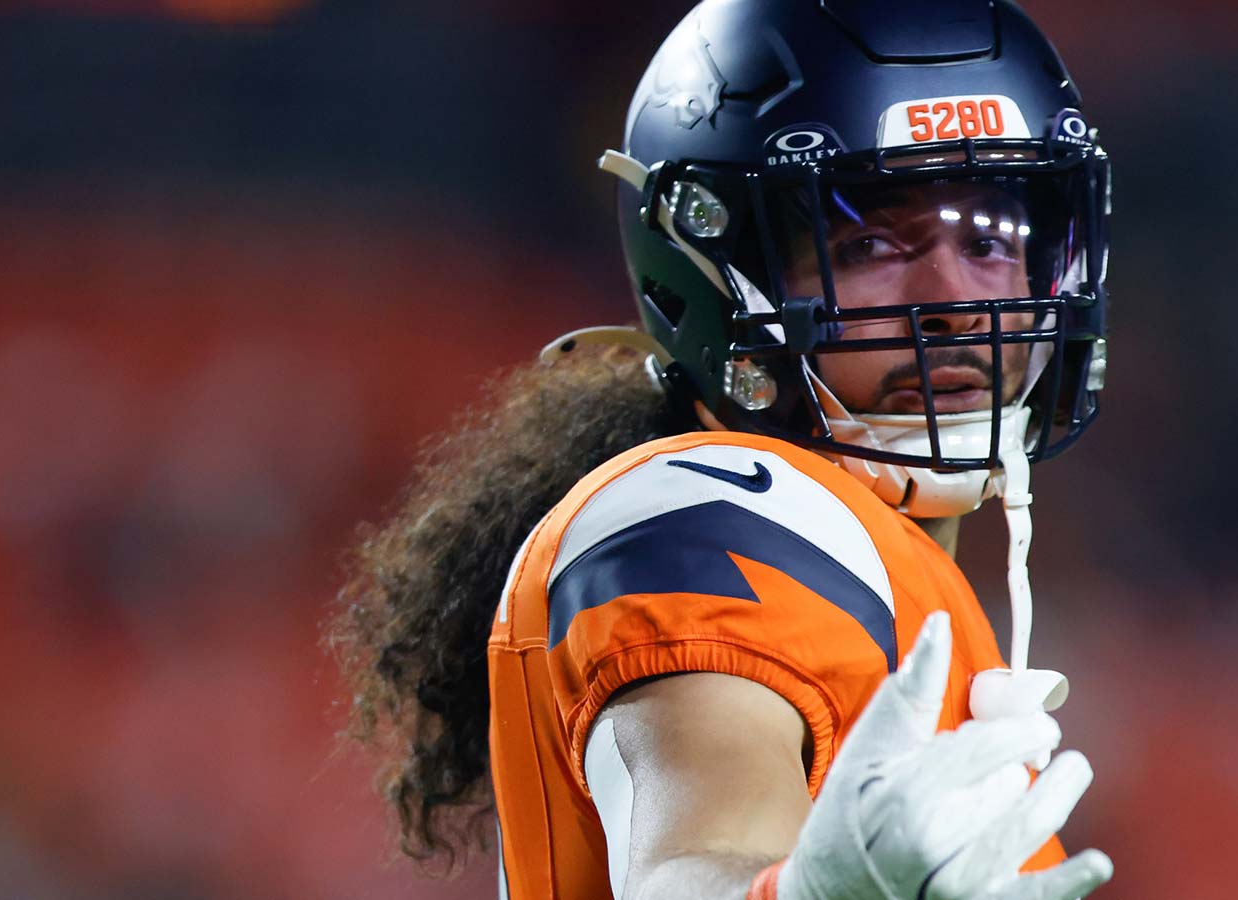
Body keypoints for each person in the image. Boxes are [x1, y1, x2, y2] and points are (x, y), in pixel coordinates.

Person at [329, 1, 1115, 898]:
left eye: (988, 239)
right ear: (711, 268)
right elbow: (683, 863)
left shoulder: (887, 566)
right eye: (867, 242)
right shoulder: (714, 510)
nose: (953, 301)